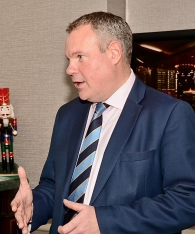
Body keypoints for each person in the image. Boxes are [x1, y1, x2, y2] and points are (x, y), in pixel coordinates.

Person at [11, 11, 195, 234]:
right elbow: (54, 186)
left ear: (114, 53)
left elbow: (187, 201)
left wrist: (105, 221)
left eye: (80, 57)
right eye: (68, 59)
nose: (70, 69)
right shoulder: (67, 115)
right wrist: (34, 206)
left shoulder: (170, 114)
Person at [0, 88, 18, 173]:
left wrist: (15, 130)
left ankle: (11, 170)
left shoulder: (13, 120)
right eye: (2, 109)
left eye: (7, 108)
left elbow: (15, 129)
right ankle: (4, 170)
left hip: (10, 138)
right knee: (3, 155)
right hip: (2, 139)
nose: (5, 112)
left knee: (11, 154)